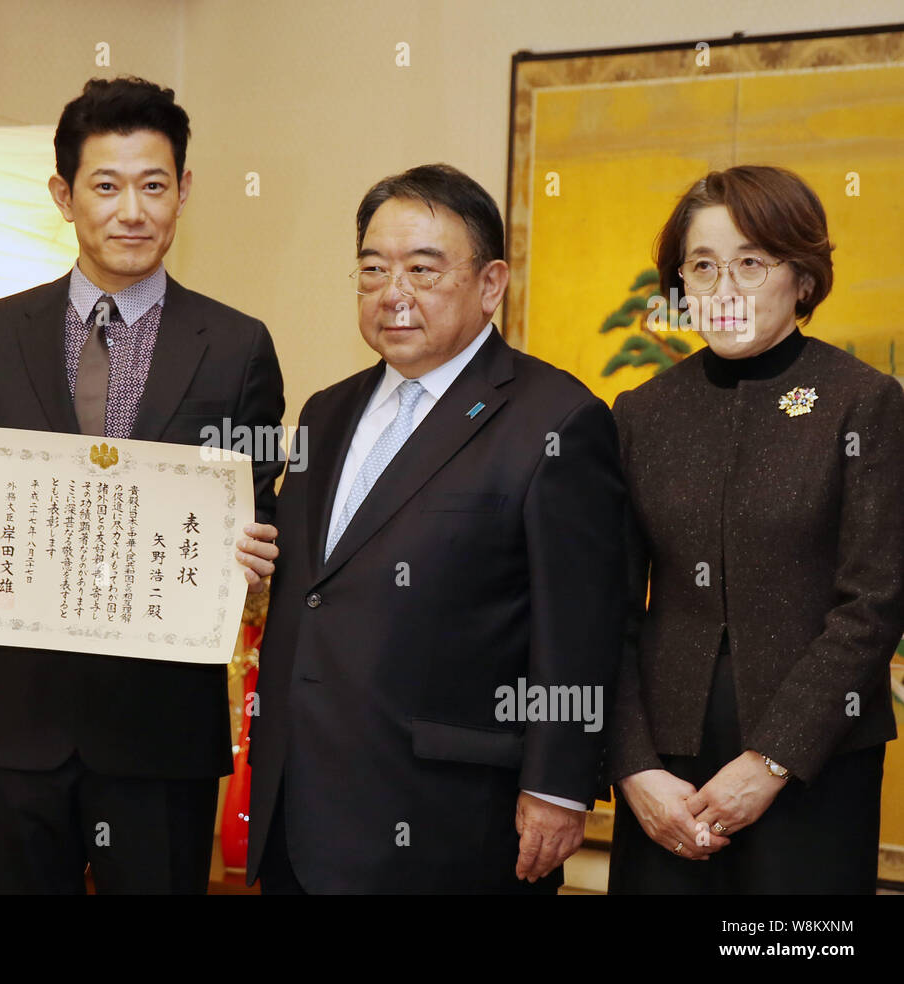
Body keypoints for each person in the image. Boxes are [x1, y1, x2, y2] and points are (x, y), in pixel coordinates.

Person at [0, 77, 285, 894]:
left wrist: (262, 547)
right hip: (17, 721)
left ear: (184, 191)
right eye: (106, 186)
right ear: (63, 195)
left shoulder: (236, 346)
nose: (132, 211)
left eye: (154, 185)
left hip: (159, 730)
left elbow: (261, 506)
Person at [245, 163, 626, 893]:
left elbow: (580, 626)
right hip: (299, 806)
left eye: (423, 269)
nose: (395, 292)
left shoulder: (556, 420)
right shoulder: (326, 412)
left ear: (490, 285)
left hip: (450, 820)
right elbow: (321, 586)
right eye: (374, 268)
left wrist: (559, 785)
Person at [607, 164, 904, 894]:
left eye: (750, 262)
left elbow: (874, 604)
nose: (724, 289)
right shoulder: (642, 413)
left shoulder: (861, 402)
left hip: (813, 765)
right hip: (663, 773)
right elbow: (603, 610)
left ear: (802, 278)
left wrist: (772, 759)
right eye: (702, 267)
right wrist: (634, 767)